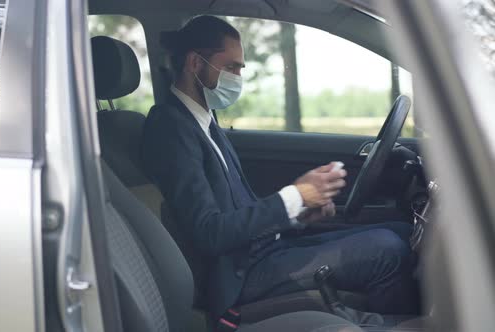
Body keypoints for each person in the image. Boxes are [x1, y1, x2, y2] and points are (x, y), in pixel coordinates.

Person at [141, 15, 418, 321]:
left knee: (401, 231)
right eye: (231, 67)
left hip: (261, 252)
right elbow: (209, 232)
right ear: (195, 64)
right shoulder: (170, 127)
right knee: (388, 250)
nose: (238, 77)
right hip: (237, 277)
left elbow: (241, 209)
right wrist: (295, 197)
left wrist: (299, 215)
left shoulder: (205, 121)